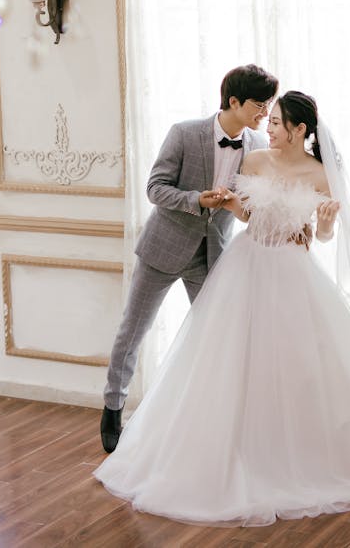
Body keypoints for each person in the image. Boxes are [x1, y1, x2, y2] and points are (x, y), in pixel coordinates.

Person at [94, 90, 350, 526]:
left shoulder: (321, 174)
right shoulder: (257, 160)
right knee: (228, 360)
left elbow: (321, 237)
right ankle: (221, 448)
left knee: (297, 365)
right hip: (245, 264)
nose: (269, 127)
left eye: (278, 122)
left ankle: (294, 454)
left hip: (293, 272)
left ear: (300, 130)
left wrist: (326, 221)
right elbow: (246, 214)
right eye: (270, 118)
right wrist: (224, 201)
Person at [100, 63, 279, 454]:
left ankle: (211, 419)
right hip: (163, 247)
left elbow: (251, 205)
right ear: (234, 101)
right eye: (259, 104)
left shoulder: (259, 147)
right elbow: (154, 188)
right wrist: (195, 199)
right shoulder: (184, 133)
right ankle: (112, 409)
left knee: (216, 338)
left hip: (214, 255)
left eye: (268, 105)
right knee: (133, 330)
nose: (265, 112)